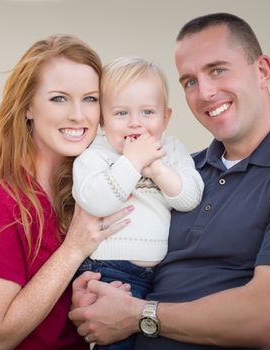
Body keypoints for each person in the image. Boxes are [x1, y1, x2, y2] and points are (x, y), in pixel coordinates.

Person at [68, 13, 270, 349]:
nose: (204, 92)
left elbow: (268, 321)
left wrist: (138, 315)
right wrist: (94, 291)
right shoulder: (187, 168)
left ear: (262, 71)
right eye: (189, 81)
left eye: (217, 70)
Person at [0, 34, 132, 350]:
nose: (78, 115)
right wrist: (73, 249)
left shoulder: (87, 189)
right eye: (59, 98)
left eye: (90, 98)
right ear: (28, 106)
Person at [70, 56, 204, 350]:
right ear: (103, 119)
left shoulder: (170, 150)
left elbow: (190, 198)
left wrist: (156, 169)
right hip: (108, 270)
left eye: (147, 112)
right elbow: (96, 201)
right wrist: (132, 162)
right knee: (115, 341)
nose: (135, 122)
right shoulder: (95, 155)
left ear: (165, 118)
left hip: (162, 273)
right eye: (121, 113)